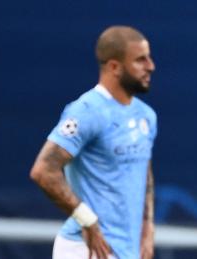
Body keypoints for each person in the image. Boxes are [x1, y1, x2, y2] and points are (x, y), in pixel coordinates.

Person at [30, 26, 156, 259]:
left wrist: (147, 230)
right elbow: (43, 171)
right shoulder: (87, 111)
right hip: (87, 248)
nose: (151, 66)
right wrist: (87, 220)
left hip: (127, 249)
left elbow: (144, 171)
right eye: (140, 60)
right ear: (114, 67)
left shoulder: (146, 115)